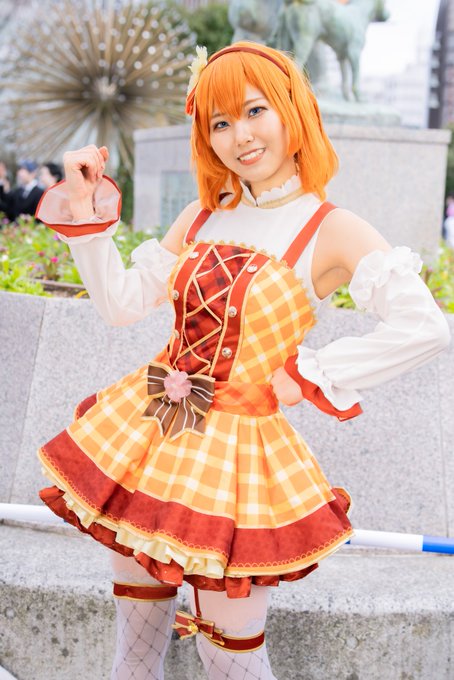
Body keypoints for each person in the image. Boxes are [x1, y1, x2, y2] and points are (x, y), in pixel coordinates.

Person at [35, 42, 450, 680]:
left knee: (230, 655)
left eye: (255, 111)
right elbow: (120, 305)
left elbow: (424, 326)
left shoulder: (330, 227)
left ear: (291, 110)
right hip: (149, 435)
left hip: (236, 463)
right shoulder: (202, 215)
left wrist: (308, 374)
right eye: (220, 122)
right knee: (135, 645)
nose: (240, 136)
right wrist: (87, 212)